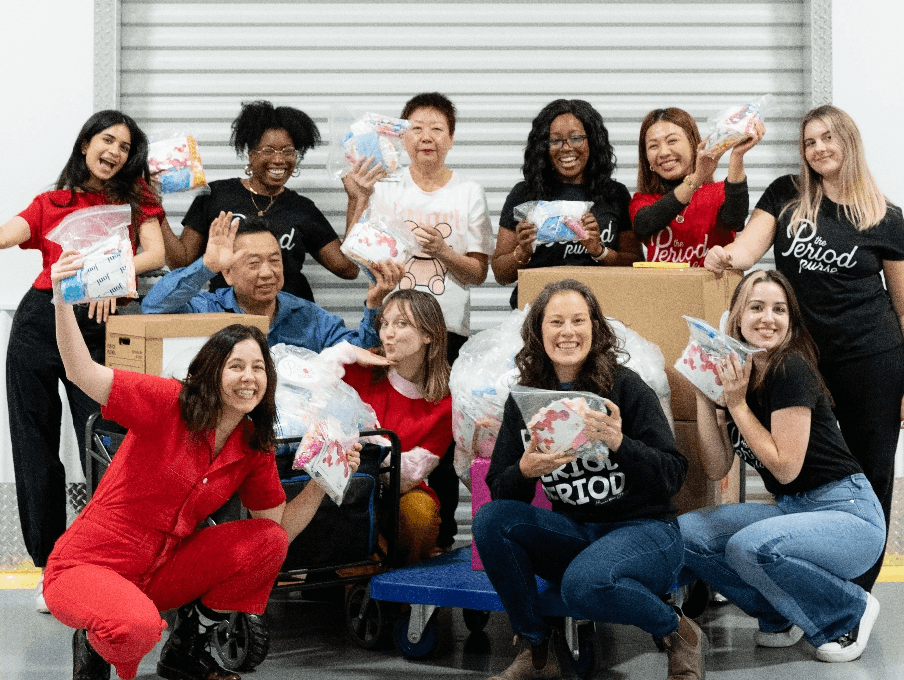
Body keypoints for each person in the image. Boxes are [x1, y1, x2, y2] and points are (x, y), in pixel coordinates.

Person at [45, 249, 362, 680]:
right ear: (212, 372)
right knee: (134, 628)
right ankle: (96, 641)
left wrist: (322, 481)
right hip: (91, 564)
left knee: (266, 539)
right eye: (236, 366)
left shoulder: (253, 444)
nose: (249, 377)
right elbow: (81, 372)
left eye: (258, 368)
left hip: (161, 571)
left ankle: (190, 642)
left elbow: (276, 532)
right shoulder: (166, 403)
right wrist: (62, 301)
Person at [704, 104, 904, 592]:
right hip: (800, 359)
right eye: (809, 141)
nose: (818, 149)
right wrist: (726, 255)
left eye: (828, 138)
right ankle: (801, 579)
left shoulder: (887, 218)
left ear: (849, 142)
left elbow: (903, 307)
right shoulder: (787, 195)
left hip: (870, 358)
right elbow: (749, 249)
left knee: (869, 470)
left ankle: (855, 595)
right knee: (797, 469)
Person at [472, 279, 695, 680]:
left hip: (646, 531)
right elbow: (499, 489)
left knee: (581, 587)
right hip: (577, 532)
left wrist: (619, 442)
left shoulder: (626, 387)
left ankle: (677, 632)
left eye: (579, 320)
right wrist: (525, 471)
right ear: (538, 333)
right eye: (556, 322)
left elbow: (673, 475)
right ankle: (537, 652)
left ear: (596, 327)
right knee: (492, 520)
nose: (568, 332)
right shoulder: (525, 398)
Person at [0, 110, 166, 612]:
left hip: (98, 326)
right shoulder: (53, 201)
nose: (114, 152)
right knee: (34, 446)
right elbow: (9, 233)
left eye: (125, 146)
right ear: (85, 144)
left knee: (103, 442)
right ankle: (50, 567)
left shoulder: (139, 200)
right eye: (107, 140)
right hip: (39, 320)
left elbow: (155, 255)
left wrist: (102, 272)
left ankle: (98, 559)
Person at [679, 269, 885, 663]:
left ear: (791, 322)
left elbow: (785, 469)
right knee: (688, 534)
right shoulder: (739, 376)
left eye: (779, 309)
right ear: (736, 317)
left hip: (847, 514)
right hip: (794, 511)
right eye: (756, 307)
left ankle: (847, 611)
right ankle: (780, 613)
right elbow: (716, 466)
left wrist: (737, 406)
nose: (767, 318)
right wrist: (705, 395)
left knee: (750, 547)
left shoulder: (791, 369)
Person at [343, 92, 494, 549]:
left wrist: (444, 252)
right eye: (416, 127)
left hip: (447, 331)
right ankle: (373, 535)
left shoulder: (467, 191)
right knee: (383, 419)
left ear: (451, 138)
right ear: (401, 136)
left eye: (437, 128)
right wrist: (357, 199)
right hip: (391, 323)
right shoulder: (385, 185)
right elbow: (354, 251)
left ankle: (440, 535)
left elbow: (480, 272)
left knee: (441, 437)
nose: (426, 137)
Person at [160, 100, 358, 302]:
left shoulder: (302, 208)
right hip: (228, 317)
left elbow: (348, 268)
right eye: (269, 150)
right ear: (250, 155)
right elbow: (180, 263)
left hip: (291, 321)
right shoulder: (216, 195)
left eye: (288, 151)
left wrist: (356, 199)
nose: (279, 160)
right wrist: (153, 207)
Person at [143, 212, 403, 352]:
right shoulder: (206, 309)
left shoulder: (308, 317)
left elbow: (362, 351)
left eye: (274, 260)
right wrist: (206, 267)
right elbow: (152, 308)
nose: (267, 273)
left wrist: (375, 303)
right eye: (253, 263)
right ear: (228, 274)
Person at [327, 289, 453, 564]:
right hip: (348, 490)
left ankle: (396, 582)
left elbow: (407, 477)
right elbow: (308, 386)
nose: (388, 333)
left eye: (401, 323)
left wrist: (370, 440)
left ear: (428, 334)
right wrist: (344, 351)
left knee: (420, 514)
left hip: (398, 495)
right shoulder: (360, 370)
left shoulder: (446, 403)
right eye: (384, 323)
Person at [491, 99, 642, 308]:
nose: (566, 148)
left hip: (601, 313)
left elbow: (634, 264)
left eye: (576, 138)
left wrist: (599, 250)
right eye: (555, 140)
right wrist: (523, 250)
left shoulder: (615, 194)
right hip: (536, 315)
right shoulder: (524, 194)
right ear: (544, 146)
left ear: (593, 141)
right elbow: (500, 274)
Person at [631, 107, 765, 266]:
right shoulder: (643, 200)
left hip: (713, 290)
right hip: (660, 290)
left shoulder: (719, 192)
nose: (663, 152)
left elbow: (735, 221)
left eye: (672, 141)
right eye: (653, 146)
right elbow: (644, 225)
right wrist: (697, 177)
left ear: (692, 143)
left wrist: (737, 155)